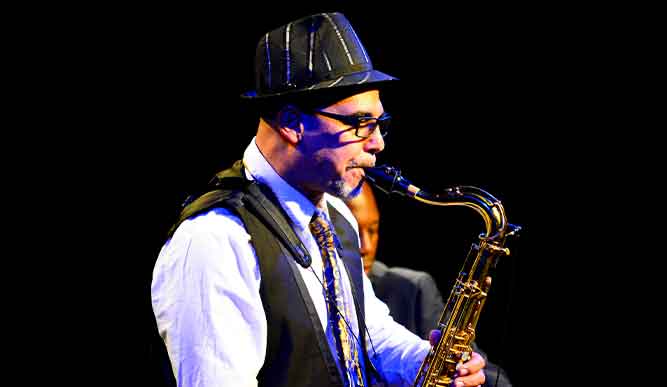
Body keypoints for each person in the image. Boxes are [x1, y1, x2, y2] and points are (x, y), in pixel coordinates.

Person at [151, 12, 486, 387]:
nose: (378, 144)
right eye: (360, 124)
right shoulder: (216, 240)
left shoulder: (337, 215)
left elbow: (368, 334)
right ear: (293, 123)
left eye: (380, 124)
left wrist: (427, 362)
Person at [345, 182, 514, 387]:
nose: (366, 246)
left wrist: (466, 370)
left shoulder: (411, 286)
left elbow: (483, 371)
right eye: (354, 233)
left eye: (373, 230)